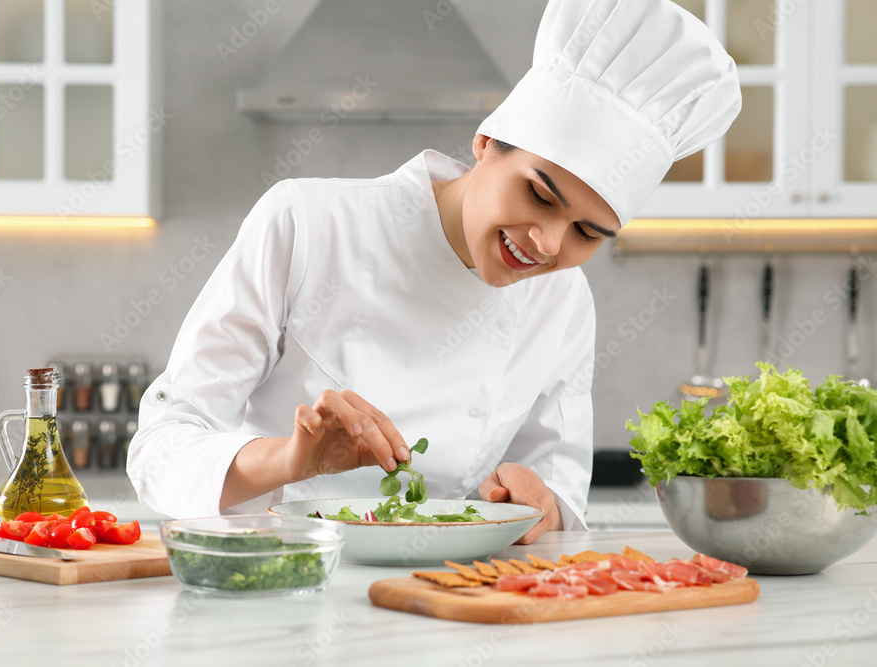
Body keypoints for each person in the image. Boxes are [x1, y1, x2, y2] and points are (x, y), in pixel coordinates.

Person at [127, 0, 741, 542]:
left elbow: (556, 498)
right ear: (485, 142)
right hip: (280, 595)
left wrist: (539, 505)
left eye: (587, 232)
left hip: (444, 610)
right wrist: (291, 460)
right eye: (539, 195)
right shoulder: (309, 222)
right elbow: (160, 447)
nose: (547, 244)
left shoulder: (564, 301)